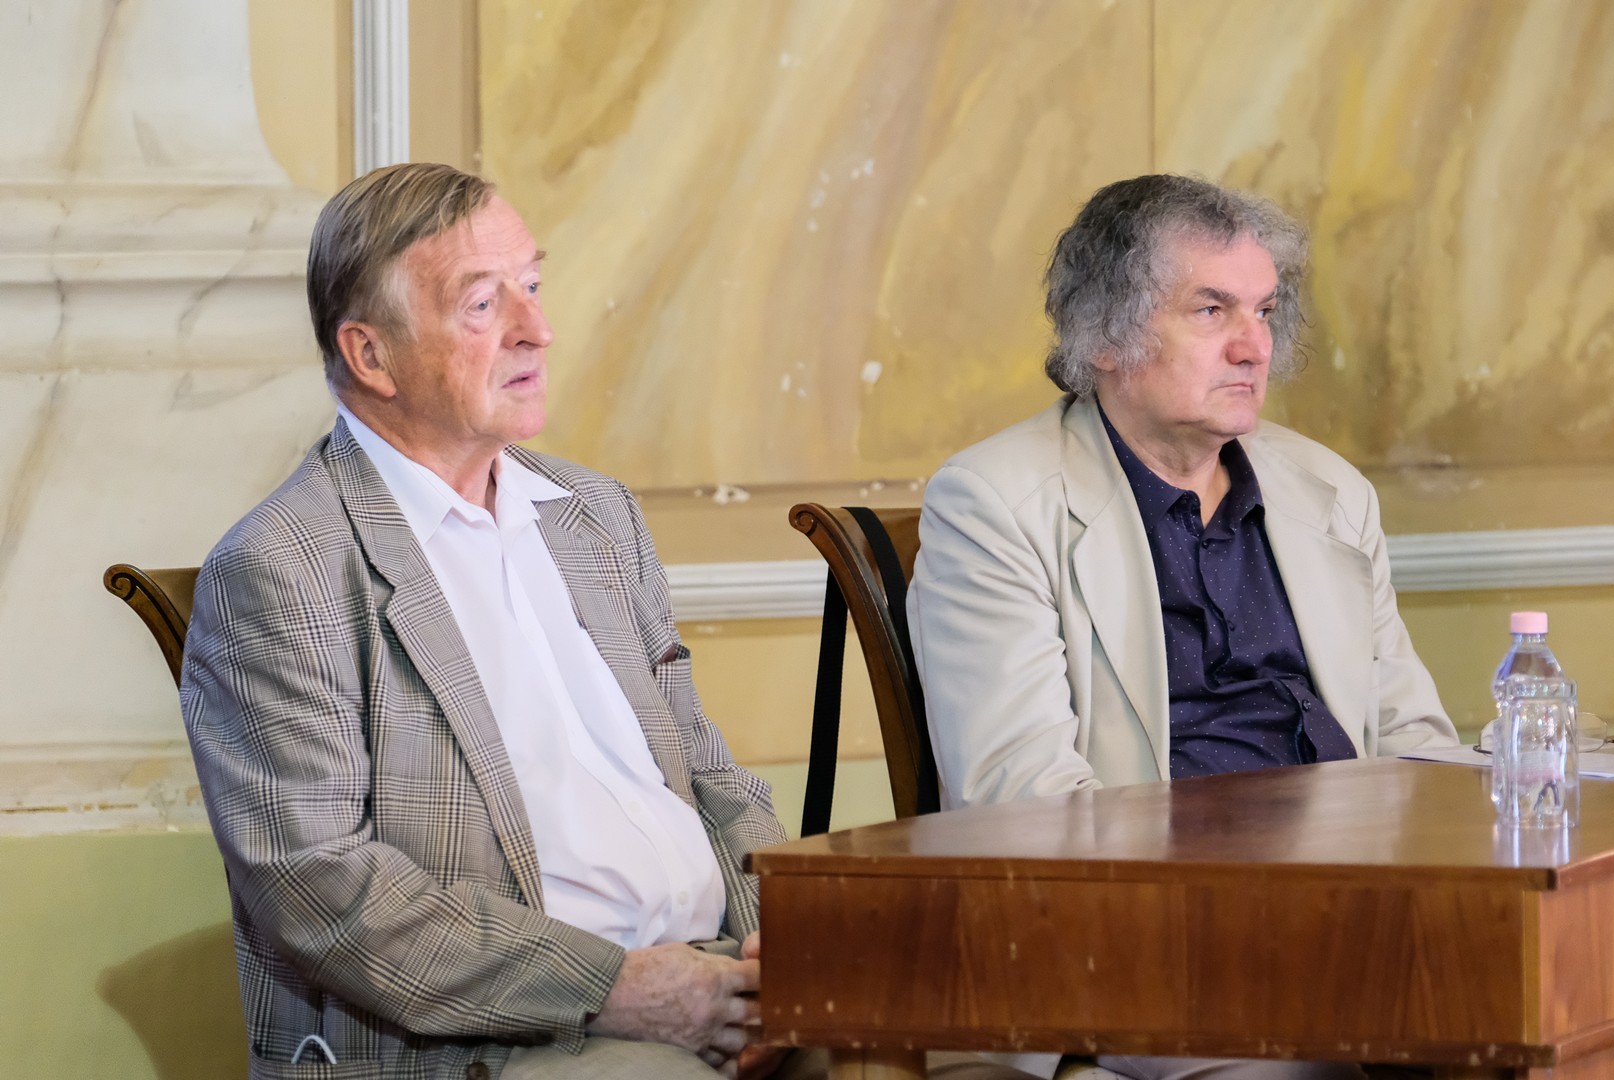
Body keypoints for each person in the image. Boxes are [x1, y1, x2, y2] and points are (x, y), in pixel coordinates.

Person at [181, 162, 790, 1080]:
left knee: (972, 1048)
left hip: (718, 978)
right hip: (511, 1038)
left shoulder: (595, 514)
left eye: (532, 286)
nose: (536, 329)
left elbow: (710, 774)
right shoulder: (281, 568)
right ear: (370, 355)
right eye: (481, 305)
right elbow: (326, 890)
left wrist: (785, 955)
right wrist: (619, 989)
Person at [906, 175, 1458, 1080]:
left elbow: (1413, 743)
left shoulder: (1329, 490)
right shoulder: (995, 503)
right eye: (1211, 311)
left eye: (1264, 311)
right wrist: (1266, 900)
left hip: (1361, 911)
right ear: (1105, 333)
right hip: (1149, 936)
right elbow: (1023, 803)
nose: (1254, 346)